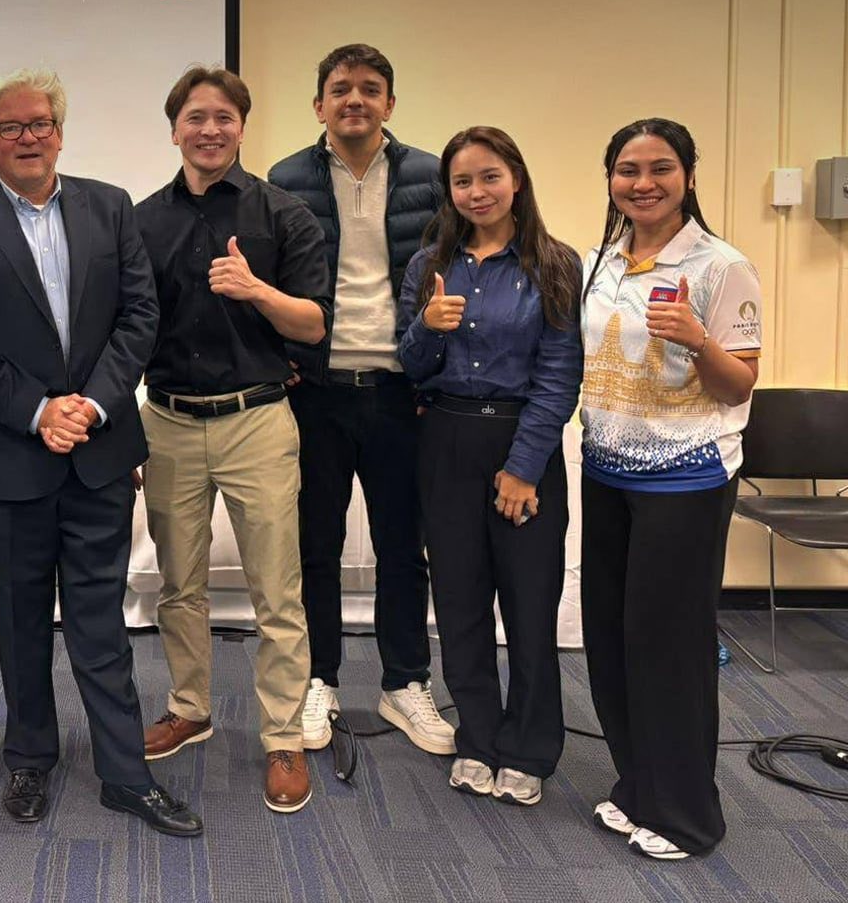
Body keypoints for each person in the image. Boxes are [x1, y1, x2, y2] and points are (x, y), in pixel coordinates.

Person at [0, 67, 202, 837]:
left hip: (99, 452)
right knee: (18, 622)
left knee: (100, 622)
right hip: (5, 456)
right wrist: (38, 410)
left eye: (40, 123)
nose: (28, 137)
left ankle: (125, 774)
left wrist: (92, 404)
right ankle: (31, 757)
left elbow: (139, 316)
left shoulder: (108, 206)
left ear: (60, 132)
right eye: (11, 126)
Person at [135, 66, 329, 813]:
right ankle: (190, 707)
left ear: (242, 127)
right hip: (169, 422)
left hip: (257, 420)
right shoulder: (142, 220)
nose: (209, 129)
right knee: (178, 585)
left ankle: (283, 735)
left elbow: (314, 324)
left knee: (277, 590)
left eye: (223, 117)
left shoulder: (284, 214)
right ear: (174, 129)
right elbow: (126, 328)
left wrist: (257, 290)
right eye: (195, 117)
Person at [579, 118, 760, 860]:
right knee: (611, 638)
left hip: (685, 478)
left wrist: (697, 337)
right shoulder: (602, 261)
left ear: (687, 175)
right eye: (628, 169)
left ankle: (687, 816)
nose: (643, 183)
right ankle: (638, 788)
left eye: (660, 168)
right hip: (605, 470)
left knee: (670, 648)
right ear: (610, 179)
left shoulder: (721, 265)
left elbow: (740, 382)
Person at [267, 43, 454, 756]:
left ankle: (405, 681)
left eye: (370, 88)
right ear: (319, 104)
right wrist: (281, 362)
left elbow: (452, 278)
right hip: (316, 393)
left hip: (400, 391)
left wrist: (434, 374)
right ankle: (320, 677)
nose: (355, 99)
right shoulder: (285, 179)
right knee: (313, 544)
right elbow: (267, 283)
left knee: (403, 546)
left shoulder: (430, 176)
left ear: (389, 103)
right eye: (341, 88)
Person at [397, 126, 582, 806]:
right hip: (445, 440)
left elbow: (559, 374)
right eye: (462, 181)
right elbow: (410, 367)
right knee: (460, 601)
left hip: (522, 442)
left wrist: (524, 467)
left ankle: (529, 746)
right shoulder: (429, 265)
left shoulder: (554, 263)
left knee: (529, 603)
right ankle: (477, 735)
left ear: (517, 179)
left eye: (489, 177)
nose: (477, 192)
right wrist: (428, 326)